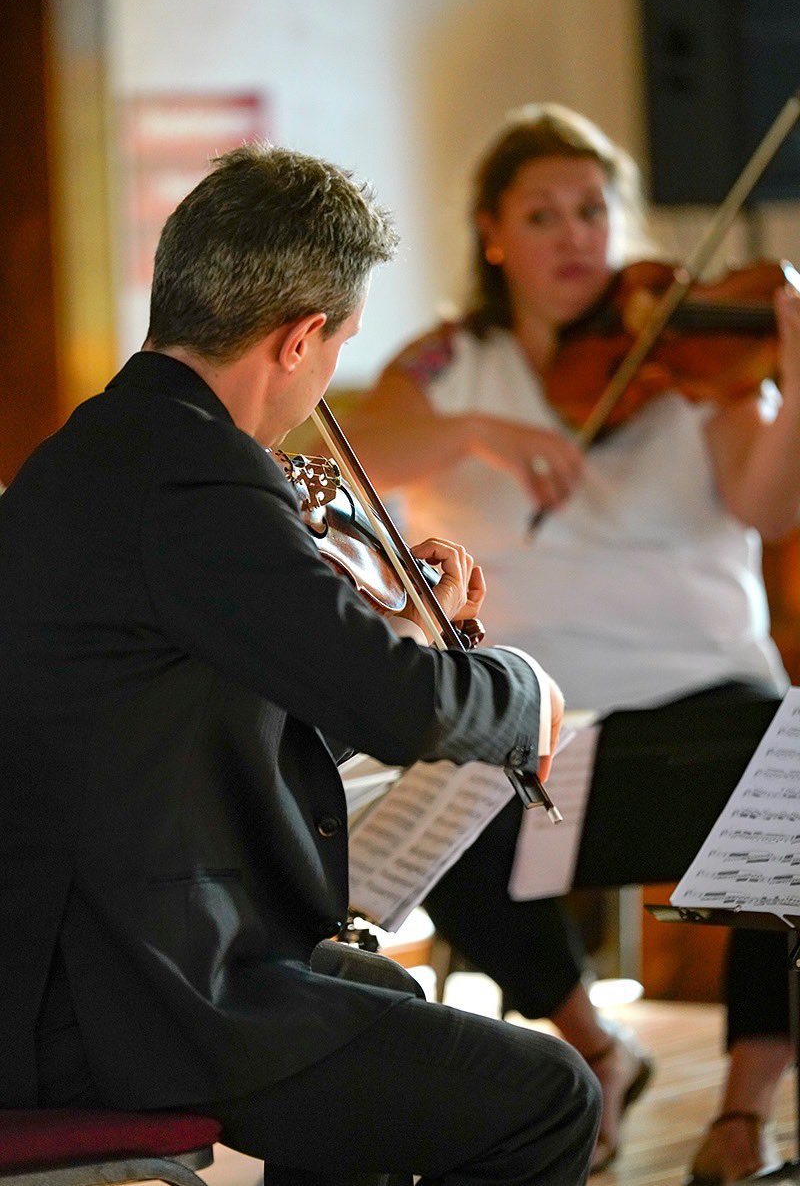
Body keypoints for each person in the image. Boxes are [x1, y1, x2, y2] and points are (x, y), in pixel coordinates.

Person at [0, 142, 602, 1185]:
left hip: (93, 956)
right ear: (301, 337)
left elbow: (219, 696)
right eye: (337, 348)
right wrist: (524, 693)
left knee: (390, 1020)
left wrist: (399, 638)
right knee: (548, 1094)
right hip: (126, 995)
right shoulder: (201, 482)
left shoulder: (102, 448)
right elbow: (405, 713)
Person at [340, 103, 800, 1182]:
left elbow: (768, 503)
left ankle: (742, 1108)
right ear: (492, 232)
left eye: (591, 210)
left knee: (788, 769)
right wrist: (477, 428)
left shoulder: (695, 355)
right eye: (540, 214)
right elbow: (363, 439)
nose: (572, 235)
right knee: (426, 785)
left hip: (702, 700)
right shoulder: (454, 357)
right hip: (530, 711)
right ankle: (591, 1044)